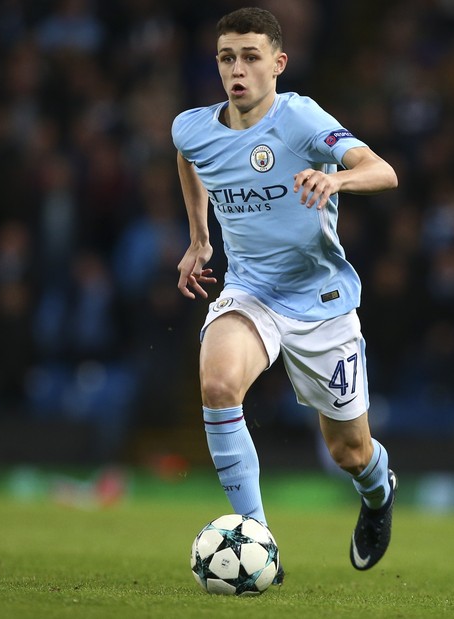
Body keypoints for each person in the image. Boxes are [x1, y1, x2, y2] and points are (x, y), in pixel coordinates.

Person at [171, 7, 399, 580]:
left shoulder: (298, 119)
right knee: (219, 384)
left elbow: (382, 170)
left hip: (320, 302)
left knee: (349, 452)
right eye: (227, 58)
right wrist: (200, 239)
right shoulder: (192, 126)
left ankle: (378, 492)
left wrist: (336, 177)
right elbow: (188, 158)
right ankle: (256, 540)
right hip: (251, 292)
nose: (237, 70)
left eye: (250, 57)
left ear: (278, 63)